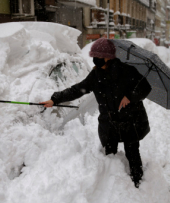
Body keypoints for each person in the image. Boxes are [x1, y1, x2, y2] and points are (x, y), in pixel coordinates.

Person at [40, 38, 152, 188]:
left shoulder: (127, 71)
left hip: (129, 120)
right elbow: (78, 89)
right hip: (110, 122)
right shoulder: (96, 75)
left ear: (109, 56)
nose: (95, 60)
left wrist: (130, 96)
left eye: (99, 57)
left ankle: (138, 184)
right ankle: (113, 187)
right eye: (94, 56)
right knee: (109, 155)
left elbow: (145, 87)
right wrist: (55, 99)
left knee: (132, 152)